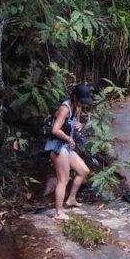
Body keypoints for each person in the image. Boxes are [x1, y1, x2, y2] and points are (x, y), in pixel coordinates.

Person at [46, 83, 94, 221]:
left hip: (67, 146)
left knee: (83, 171)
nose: (82, 105)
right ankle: (58, 213)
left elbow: (75, 124)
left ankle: (71, 199)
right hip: (58, 147)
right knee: (63, 180)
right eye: (81, 101)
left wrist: (79, 125)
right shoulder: (65, 109)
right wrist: (68, 138)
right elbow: (55, 129)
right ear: (74, 98)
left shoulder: (77, 107)